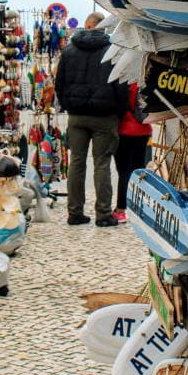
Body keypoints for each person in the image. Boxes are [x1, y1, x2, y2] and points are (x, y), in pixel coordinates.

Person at [54, 12, 125, 227]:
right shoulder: (112, 51)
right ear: (104, 28)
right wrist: (118, 112)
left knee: (77, 162)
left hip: (76, 116)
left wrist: (68, 104)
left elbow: (60, 83)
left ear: (86, 26)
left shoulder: (69, 51)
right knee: (102, 164)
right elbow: (120, 85)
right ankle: (103, 214)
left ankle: (75, 213)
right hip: (105, 116)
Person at [113, 82, 153, 223]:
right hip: (143, 130)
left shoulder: (123, 84)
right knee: (138, 171)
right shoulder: (143, 83)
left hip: (124, 131)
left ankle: (121, 210)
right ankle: (139, 208)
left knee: (124, 172)